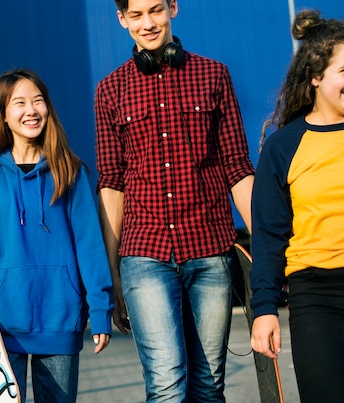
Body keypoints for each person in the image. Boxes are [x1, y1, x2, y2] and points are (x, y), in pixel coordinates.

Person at [94, 0, 255, 401]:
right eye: (136, 14)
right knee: (167, 384)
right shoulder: (110, 90)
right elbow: (112, 184)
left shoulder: (214, 75)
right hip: (144, 253)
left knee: (207, 385)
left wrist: (268, 251)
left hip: (210, 250)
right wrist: (113, 277)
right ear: (122, 19)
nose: (148, 23)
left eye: (156, 10)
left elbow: (237, 167)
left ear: (173, 8)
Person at [0, 68, 113, 403]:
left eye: (38, 101)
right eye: (19, 103)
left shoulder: (70, 172)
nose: (31, 110)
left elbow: (90, 246)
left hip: (59, 319)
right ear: (3, 116)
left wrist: (100, 309)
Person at [250, 9, 344, 403]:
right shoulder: (284, 146)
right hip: (317, 299)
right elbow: (269, 236)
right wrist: (265, 308)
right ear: (315, 76)